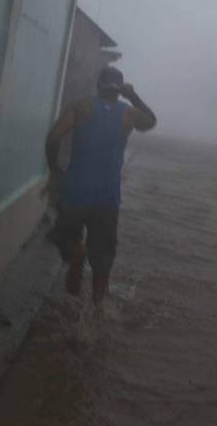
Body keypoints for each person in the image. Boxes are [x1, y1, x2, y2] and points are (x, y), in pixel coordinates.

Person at [45, 67, 157, 303]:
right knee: (104, 254)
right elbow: (151, 122)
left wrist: (55, 170)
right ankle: (96, 307)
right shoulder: (129, 114)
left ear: (98, 86)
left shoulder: (80, 107)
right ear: (120, 89)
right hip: (107, 197)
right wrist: (133, 96)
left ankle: (76, 251)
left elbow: (53, 138)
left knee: (61, 235)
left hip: (76, 191)